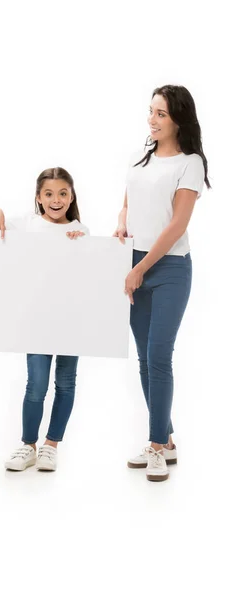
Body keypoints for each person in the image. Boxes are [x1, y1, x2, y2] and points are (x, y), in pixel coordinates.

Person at [114, 85, 210, 482]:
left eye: (161, 114)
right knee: (144, 360)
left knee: (159, 357)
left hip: (168, 267)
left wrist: (141, 269)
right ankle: (165, 439)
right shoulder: (143, 159)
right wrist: (121, 224)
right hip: (134, 263)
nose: (151, 120)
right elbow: (128, 203)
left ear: (178, 120)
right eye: (150, 111)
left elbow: (177, 225)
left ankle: (155, 446)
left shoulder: (189, 164)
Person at [0, 167, 89, 471]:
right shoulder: (26, 223)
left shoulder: (80, 229)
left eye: (63, 193)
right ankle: (28, 445)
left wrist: (81, 243)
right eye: (49, 194)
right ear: (38, 198)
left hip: (70, 321)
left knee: (65, 383)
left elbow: (89, 274)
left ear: (72, 196)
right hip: (36, 320)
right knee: (36, 384)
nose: (56, 200)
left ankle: (51, 445)